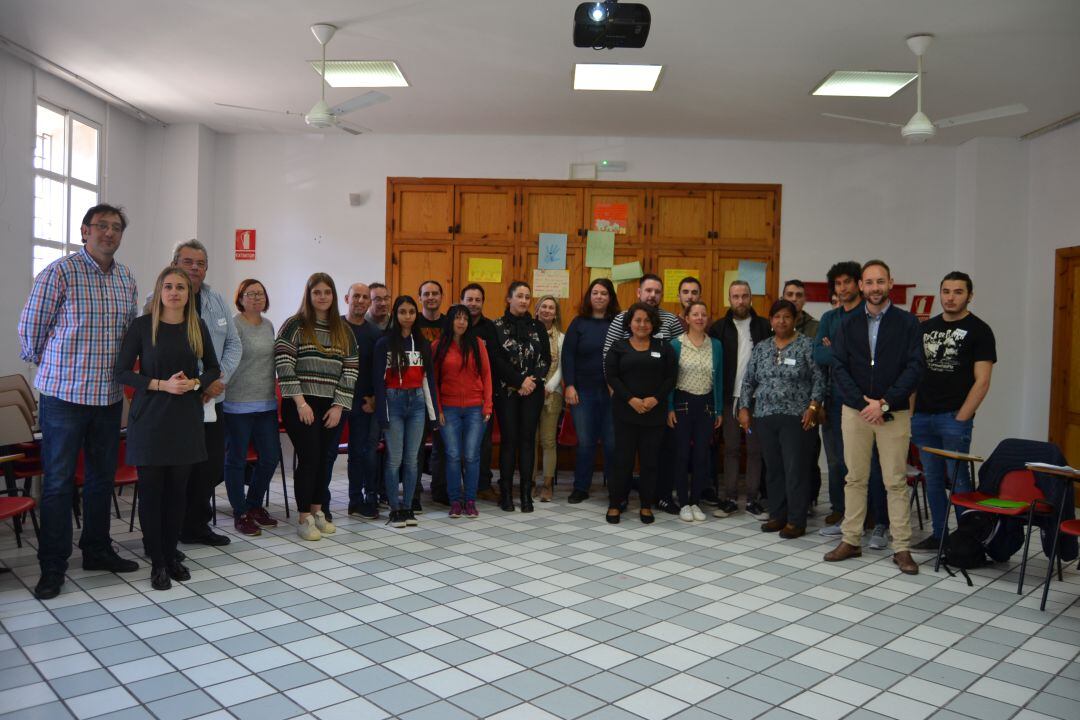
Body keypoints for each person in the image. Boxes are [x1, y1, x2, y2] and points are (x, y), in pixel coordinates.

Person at [19, 203, 140, 600]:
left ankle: (97, 550)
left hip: (107, 399)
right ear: (85, 230)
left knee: (100, 480)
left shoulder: (126, 278)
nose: (109, 233)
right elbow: (30, 331)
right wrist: (57, 368)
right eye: (101, 226)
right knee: (56, 484)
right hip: (64, 398)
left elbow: (128, 338)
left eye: (116, 227)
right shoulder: (60, 272)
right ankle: (53, 565)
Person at [116, 267, 219, 590]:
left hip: (185, 419)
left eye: (181, 288)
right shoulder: (142, 326)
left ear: (189, 294)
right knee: (151, 493)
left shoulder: (196, 326)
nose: (174, 292)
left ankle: (171, 554)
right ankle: (158, 562)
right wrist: (160, 384)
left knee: (178, 492)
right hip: (150, 419)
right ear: (159, 291)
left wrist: (196, 382)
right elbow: (122, 372)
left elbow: (214, 367)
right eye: (169, 286)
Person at [824, 260, 926, 575]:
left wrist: (884, 403)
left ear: (890, 283)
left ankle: (902, 548)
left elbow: (915, 367)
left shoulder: (908, 323)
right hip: (855, 412)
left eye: (880, 281)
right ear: (861, 286)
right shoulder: (847, 324)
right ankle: (851, 539)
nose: (874, 288)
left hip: (893, 412)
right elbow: (838, 366)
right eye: (869, 282)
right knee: (853, 478)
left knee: (894, 481)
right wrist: (863, 403)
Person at [910, 271, 996, 552]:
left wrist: (962, 417)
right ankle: (939, 535)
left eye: (958, 292)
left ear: (969, 295)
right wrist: (912, 414)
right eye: (946, 291)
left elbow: (982, 381)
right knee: (932, 480)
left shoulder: (980, 330)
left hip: (953, 418)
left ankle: (965, 541)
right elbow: (914, 374)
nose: (950, 297)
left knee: (958, 480)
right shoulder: (925, 329)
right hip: (922, 417)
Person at [275, 273, 359, 541]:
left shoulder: (344, 331)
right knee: (309, 459)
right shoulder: (295, 325)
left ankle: (318, 512)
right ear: (309, 296)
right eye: (317, 292)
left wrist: (338, 406)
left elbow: (351, 369)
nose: (322, 297)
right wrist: (300, 402)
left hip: (332, 406)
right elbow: (284, 364)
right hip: (300, 404)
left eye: (327, 292)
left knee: (325, 460)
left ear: (334, 297)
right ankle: (303, 519)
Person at [170, 239, 242, 548]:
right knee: (179, 467)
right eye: (188, 262)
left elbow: (234, 344)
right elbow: (159, 351)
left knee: (211, 465)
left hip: (214, 399)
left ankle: (197, 524)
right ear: (175, 264)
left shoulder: (217, 300)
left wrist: (217, 379)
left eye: (200, 263)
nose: (195, 268)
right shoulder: (160, 299)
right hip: (178, 401)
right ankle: (174, 527)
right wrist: (197, 383)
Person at [815, 262, 890, 546]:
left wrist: (835, 349)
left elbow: (871, 358)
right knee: (838, 462)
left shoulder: (870, 315)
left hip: (870, 401)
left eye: (848, 282)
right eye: (838, 283)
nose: (843, 287)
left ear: (859, 284)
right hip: (836, 400)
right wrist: (837, 352)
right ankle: (845, 514)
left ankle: (878, 520)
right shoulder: (830, 318)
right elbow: (818, 355)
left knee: (872, 464)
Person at [738, 300, 825, 539]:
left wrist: (814, 406)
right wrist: (744, 407)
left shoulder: (807, 346)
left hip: (798, 418)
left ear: (795, 319)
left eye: (787, 317)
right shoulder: (762, 348)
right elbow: (748, 381)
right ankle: (778, 515)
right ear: (770, 320)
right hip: (765, 416)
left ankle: (796, 520)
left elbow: (819, 378)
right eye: (777, 317)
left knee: (795, 469)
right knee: (774, 469)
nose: (781, 321)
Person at [603, 274, 684, 513]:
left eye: (647, 321)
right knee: (623, 461)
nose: (642, 324)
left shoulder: (664, 348)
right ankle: (616, 503)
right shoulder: (619, 347)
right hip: (625, 411)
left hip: (653, 413)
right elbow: (612, 376)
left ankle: (646, 505)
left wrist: (654, 399)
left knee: (650, 462)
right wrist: (631, 399)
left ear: (653, 324)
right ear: (630, 323)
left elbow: (671, 377)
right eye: (637, 320)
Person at [221, 279, 281, 536]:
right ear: (241, 298)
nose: (256, 298)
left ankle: (254, 504)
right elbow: (227, 360)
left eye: (260, 293)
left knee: (270, 457)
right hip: (237, 404)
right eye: (250, 294)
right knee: (236, 460)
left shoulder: (268, 325)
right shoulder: (234, 326)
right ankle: (240, 512)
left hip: (266, 402)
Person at [708, 280, 771, 519]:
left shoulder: (764, 326)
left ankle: (754, 500)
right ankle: (730, 498)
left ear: (751, 297)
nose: (740, 301)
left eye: (745, 296)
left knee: (756, 450)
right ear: (729, 299)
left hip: (756, 400)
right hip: (728, 398)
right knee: (731, 449)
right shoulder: (719, 328)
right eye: (736, 296)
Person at [374, 296, 438, 528]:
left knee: (412, 460)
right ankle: (394, 508)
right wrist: (383, 413)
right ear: (395, 314)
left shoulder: (422, 343)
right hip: (394, 402)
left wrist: (433, 414)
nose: (407, 316)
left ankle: (408, 506)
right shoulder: (384, 344)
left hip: (417, 403)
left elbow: (428, 380)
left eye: (411, 312)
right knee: (395, 459)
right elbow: (378, 383)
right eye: (402, 311)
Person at [323, 283, 382, 519]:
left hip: (362, 404)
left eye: (365, 297)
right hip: (334, 402)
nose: (360, 300)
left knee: (359, 454)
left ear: (370, 302)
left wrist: (376, 399)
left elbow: (379, 372)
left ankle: (356, 502)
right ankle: (322, 504)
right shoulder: (333, 327)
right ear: (347, 298)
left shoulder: (375, 333)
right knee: (328, 454)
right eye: (355, 296)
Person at [492, 281, 551, 512]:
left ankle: (526, 494)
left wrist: (530, 382)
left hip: (532, 392)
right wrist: (518, 382)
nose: (524, 301)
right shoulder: (495, 326)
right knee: (509, 441)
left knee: (528, 442)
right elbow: (496, 360)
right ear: (509, 298)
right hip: (506, 392)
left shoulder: (538, 327)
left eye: (528, 297)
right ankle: (506, 493)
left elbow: (545, 359)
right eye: (519, 296)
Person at [562, 278, 620, 503]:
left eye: (604, 293)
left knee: (611, 442)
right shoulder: (579, 323)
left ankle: (615, 488)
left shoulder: (618, 323)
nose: (599, 297)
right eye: (595, 293)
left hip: (612, 393)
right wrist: (570, 385)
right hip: (582, 392)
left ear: (610, 298)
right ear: (589, 296)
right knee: (585, 442)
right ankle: (581, 487)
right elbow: (568, 355)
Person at [433, 304, 493, 519]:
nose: (461, 322)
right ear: (450, 321)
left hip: (475, 408)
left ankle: (470, 500)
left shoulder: (477, 344)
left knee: (471, 456)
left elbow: (486, 375)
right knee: (452, 455)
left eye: (465, 319)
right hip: (448, 409)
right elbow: (434, 383)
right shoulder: (438, 346)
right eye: (457, 318)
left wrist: (487, 406)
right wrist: (438, 409)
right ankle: (455, 501)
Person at [667, 301, 723, 522]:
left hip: (707, 404)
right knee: (681, 455)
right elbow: (670, 380)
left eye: (703, 314)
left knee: (702, 456)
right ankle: (683, 502)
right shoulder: (676, 344)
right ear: (687, 318)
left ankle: (695, 501)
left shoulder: (716, 345)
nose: (700, 318)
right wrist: (669, 407)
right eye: (695, 314)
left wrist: (718, 409)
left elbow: (718, 378)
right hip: (682, 403)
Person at [784, 279, 823, 514]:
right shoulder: (775, 323)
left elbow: (820, 369)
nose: (794, 299)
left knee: (807, 453)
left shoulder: (816, 327)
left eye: (799, 295)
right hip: (780, 403)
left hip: (807, 402)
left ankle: (808, 500)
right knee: (782, 455)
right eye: (789, 294)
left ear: (804, 299)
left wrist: (817, 403)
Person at [461, 283, 501, 502]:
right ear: (462, 301)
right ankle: (457, 486)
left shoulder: (490, 328)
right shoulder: (456, 325)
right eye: (469, 299)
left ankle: (483, 485)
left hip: (482, 396)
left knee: (483, 444)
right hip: (455, 398)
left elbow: (493, 363)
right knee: (458, 445)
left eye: (477, 300)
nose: (473, 304)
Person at [414, 280, 447, 507]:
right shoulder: (412, 321)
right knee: (415, 447)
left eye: (435, 293)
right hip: (415, 393)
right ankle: (414, 490)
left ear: (441, 297)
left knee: (441, 446)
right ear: (420, 297)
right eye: (426, 294)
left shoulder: (449, 323)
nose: (431, 297)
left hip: (442, 394)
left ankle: (439, 490)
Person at [532, 295, 565, 503]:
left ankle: (546, 485)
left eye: (551, 308)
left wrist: (549, 387)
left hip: (552, 394)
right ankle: (531, 482)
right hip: (529, 393)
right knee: (530, 440)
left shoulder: (562, 337)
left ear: (556, 313)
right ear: (537, 310)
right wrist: (535, 386)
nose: (547, 310)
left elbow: (563, 367)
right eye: (543, 306)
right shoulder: (529, 333)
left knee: (548, 440)